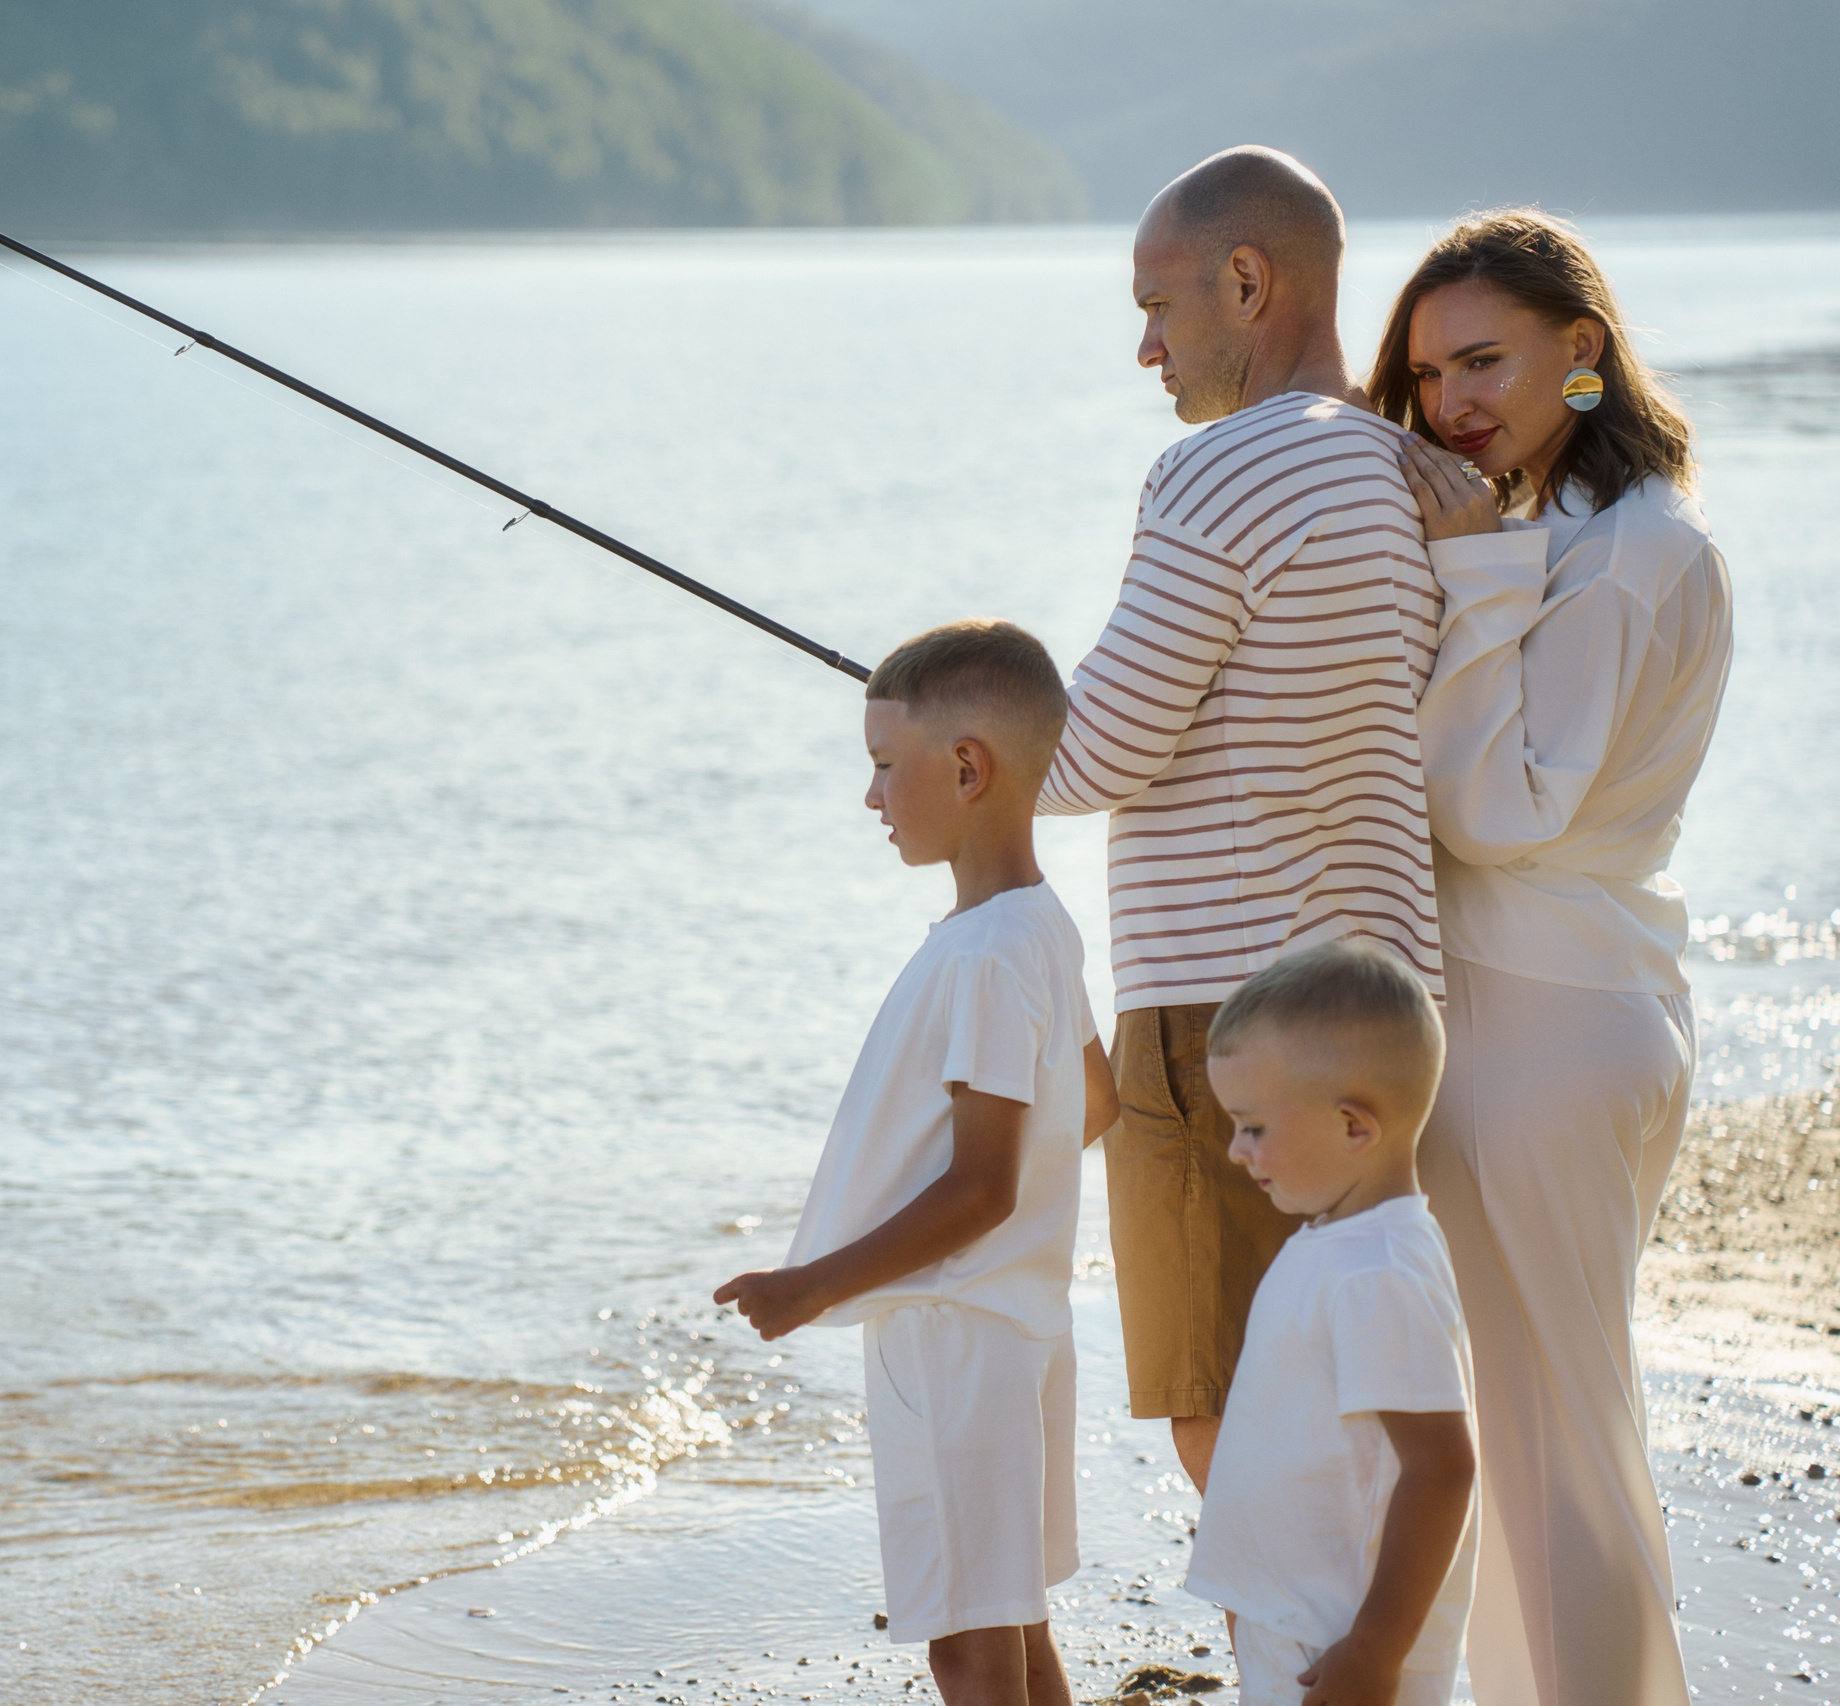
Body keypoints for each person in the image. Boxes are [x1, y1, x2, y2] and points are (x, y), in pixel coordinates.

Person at [1038, 145, 1443, 1496]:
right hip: (1387, 1014)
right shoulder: (1408, 470)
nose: (1146, 349)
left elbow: (1092, 750)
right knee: (1354, 1393)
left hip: (1222, 1019)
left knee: (1230, 1408)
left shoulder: (1216, 474)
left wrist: (960, 745)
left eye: (1158, 309)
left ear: (1248, 279)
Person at [1371, 210, 1732, 1706]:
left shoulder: (1631, 551)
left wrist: (1470, 579)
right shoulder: (1567, 528)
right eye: (1426, 372)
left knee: (1561, 1435)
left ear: (1581, 352)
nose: (1451, 400)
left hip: (1547, 1018)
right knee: (1528, 1422)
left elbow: (1505, 809)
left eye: (1483, 360)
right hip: (1564, 1004)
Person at [714, 619, 1116, 1706]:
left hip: (949, 1333)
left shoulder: (984, 955)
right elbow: (1096, 1099)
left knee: (960, 1635)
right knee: (1011, 1613)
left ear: (968, 766)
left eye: (884, 766)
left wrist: (813, 1284)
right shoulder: (1038, 925)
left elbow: (981, 1185)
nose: (871, 796)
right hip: (1016, 1319)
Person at [1190, 940, 1477, 1706]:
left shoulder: (1379, 1272)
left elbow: (1443, 1468)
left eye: (1252, 1126)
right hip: (1299, 1620)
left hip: (1342, 1638)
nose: (1234, 1149)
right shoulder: (1335, 1240)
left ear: (1354, 1127)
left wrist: (1377, 1651)